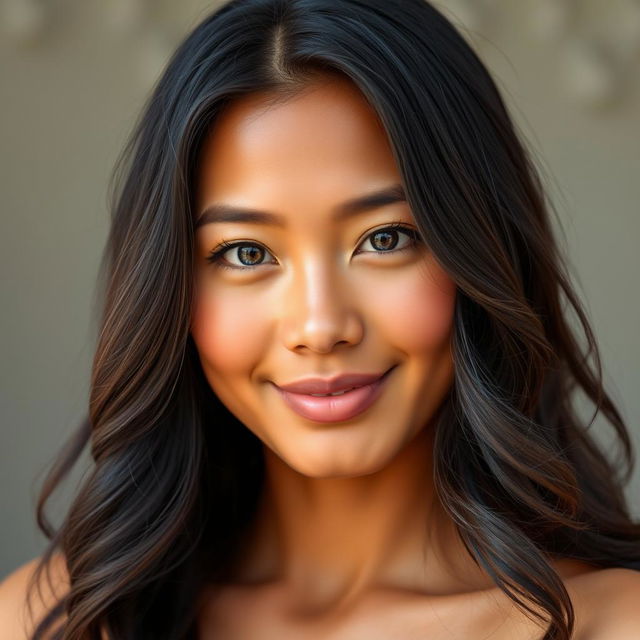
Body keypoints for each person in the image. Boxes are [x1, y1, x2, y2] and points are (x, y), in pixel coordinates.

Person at [1, 0, 640, 638]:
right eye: (246, 253)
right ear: (169, 289)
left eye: (386, 239)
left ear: (483, 250)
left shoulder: (611, 622)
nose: (320, 325)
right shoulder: (56, 620)